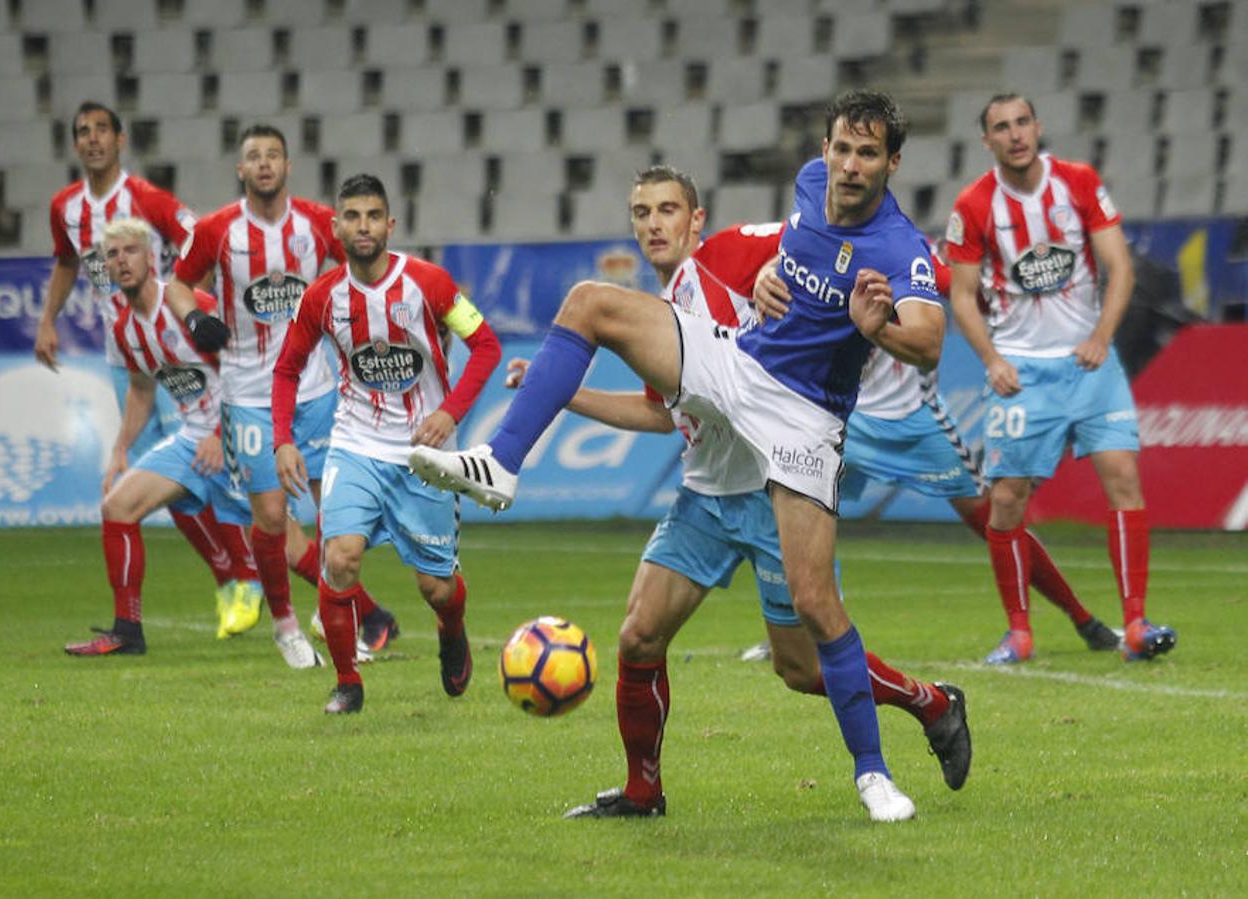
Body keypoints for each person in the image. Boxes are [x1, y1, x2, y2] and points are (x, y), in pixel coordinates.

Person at [412, 90, 943, 822]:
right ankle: (502, 463)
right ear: (824, 151)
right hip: (740, 378)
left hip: (802, 419)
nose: (850, 166)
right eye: (841, 149)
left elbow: (928, 340)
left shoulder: (899, 248)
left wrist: (873, 327)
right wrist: (770, 281)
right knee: (590, 302)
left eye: (868, 153)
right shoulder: (809, 189)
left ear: (892, 163)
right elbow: (776, 263)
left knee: (813, 617)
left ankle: (876, 773)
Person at [751, 246, 1123, 664]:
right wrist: (767, 272)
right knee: (787, 512)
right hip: (840, 416)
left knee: (994, 518)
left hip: (914, 421)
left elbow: (968, 292)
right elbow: (777, 260)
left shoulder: (912, 253)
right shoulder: (825, 239)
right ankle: (794, 633)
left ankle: (1083, 620)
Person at [946, 93, 1175, 663]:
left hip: (1090, 365)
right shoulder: (974, 205)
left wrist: (1102, 336)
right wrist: (992, 360)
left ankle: (1136, 624)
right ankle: (1019, 633)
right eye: (1001, 126)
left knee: (1123, 476)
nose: (1015, 134)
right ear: (988, 141)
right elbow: (962, 295)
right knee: (1006, 501)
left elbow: (1119, 265)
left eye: (1023, 122)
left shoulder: (1077, 182)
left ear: (1037, 127)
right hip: (1023, 373)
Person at [165, 124, 397, 669]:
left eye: (273, 154)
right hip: (248, 394)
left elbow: (364, 268)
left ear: (288, 166)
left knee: (335, 515)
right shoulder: (217, 230)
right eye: (253, 156)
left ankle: (332, 615)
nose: (264, 163)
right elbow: (176, 284)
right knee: (271, 517)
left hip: (315, 388)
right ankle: (286, 626)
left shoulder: (319, 224)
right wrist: (194, 316)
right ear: (240, 170)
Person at [272, 174, 501, 713]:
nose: (363, 226)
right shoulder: (322, 297)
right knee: (340, 557)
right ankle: (349, 683)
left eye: (373, 215)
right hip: (354, 446)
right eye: (352, 216)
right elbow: (287, 369)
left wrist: (448, 413)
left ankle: (452, 630)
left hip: (424, 458)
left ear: (390, 225)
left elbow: (486, 345)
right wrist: (283, 440)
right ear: (336, 228)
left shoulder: (430, 283)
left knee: (436, 589)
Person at [36, 101, 249, 627]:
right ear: (75, 144)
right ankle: (231, 576)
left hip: (174, 344)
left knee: (206, 459)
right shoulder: (66, 207)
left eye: (101, 130)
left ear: (120, 139)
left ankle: (244, 571)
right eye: (82, 132)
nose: (92, 140)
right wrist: (47, 320)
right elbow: (66, 262)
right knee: (161, 470)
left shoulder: (147, 200)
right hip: (125, 353)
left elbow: (200, 241)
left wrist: (186, 310)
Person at [64, 219, 260, 655]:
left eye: (130, 250)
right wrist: (119, 450)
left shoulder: (188, 303)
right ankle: (127, 631)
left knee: (283, 542)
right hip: (194, 441)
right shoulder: (126, 330)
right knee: (118, 507)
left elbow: (244, 363)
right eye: (112, 255)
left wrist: (217, 430)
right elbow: (140, 390)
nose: (122, 261)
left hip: (239, 432)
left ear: (150, 257)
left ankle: (369, 613)